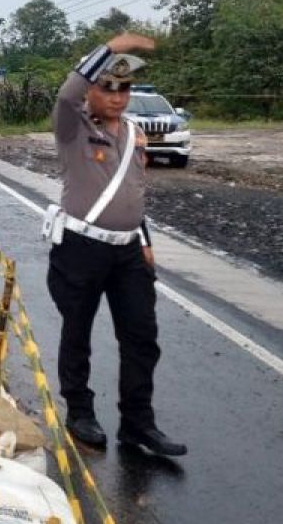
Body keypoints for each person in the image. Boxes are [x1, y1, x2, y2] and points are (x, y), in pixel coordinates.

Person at [44, 32, 186, 457]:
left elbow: (135, 191)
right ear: (91, 89)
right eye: (108, 87)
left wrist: (145, 241)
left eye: (124, 88)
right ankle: (80, 410)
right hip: (81, 248)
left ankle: (138, 423)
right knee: (78, 331)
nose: (118, 97)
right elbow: (66, 94)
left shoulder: (133, 134)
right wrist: (111, 45)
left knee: (142, 335)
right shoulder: (72, 127)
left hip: (128, 251)